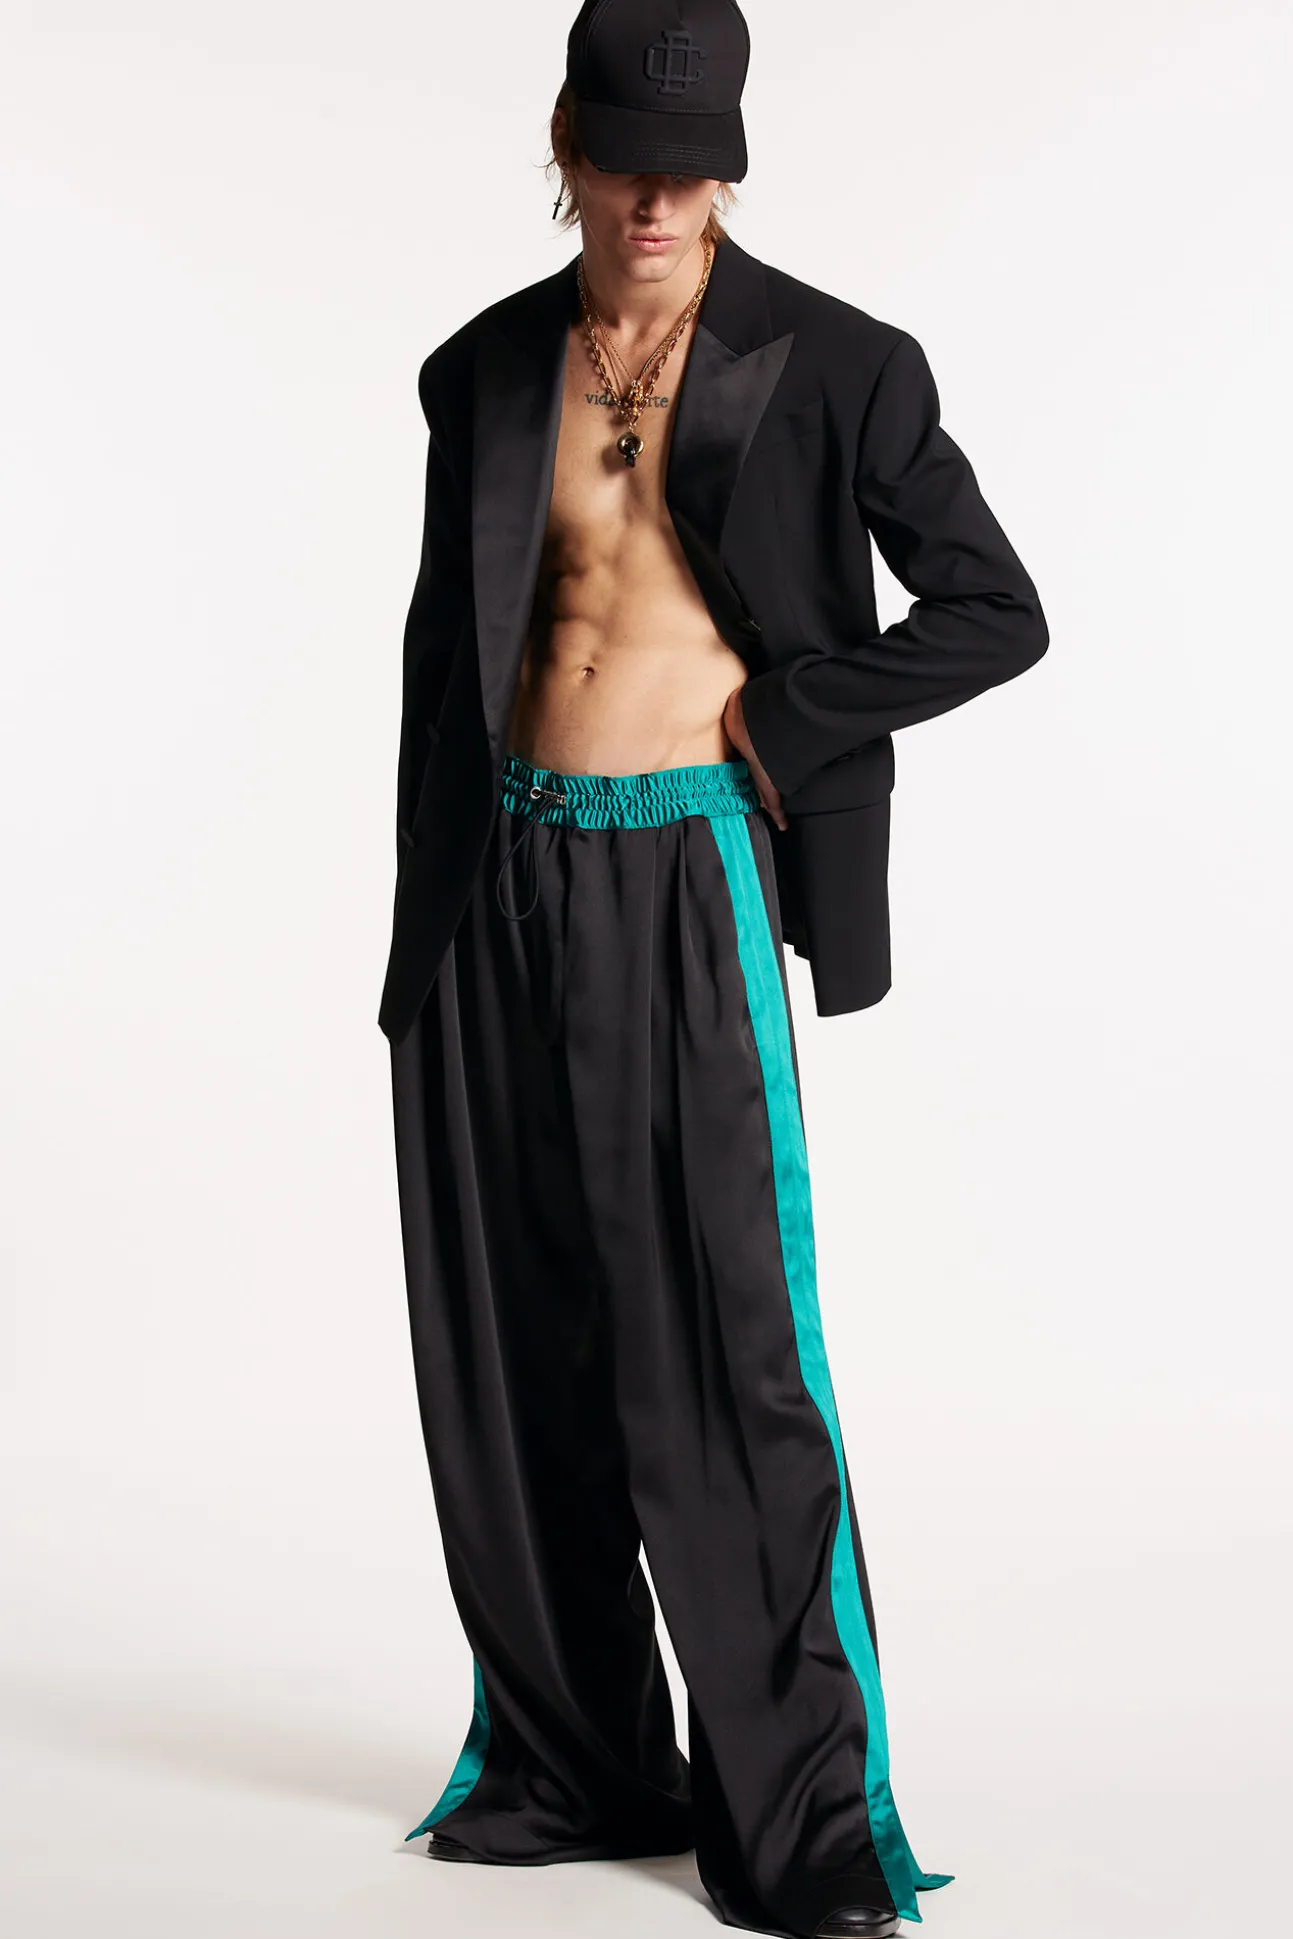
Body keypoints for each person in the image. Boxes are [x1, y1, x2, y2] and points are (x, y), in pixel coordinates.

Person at [377, 3, 1048, 1935]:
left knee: (728, 1347)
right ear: (568, 149)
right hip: (499, 875)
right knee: (512, 1338)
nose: (661, 201)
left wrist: (777, 721)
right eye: (628, 162)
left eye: (695, 167)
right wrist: (417, 930)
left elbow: (995, 608)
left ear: (730, 167)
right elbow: (443, 657)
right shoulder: (480, 370)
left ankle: (805, 1822)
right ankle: (578, 1761)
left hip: (687, 868)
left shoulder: (841, 364)